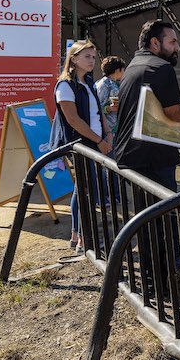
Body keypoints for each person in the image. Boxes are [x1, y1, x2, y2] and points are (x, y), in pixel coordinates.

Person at [114, 20, 180, 191]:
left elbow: (154, 111)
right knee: (166, 215)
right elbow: (175, 112)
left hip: (130, 157)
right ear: (155, 43)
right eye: (172, 42)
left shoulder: (132, 66)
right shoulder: (161, 68)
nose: (177, 48)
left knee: (145, 215)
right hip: (153, 160)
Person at [54, 41, 112, 251]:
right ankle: (85, 240)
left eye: (94, 57)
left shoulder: (88, 81)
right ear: (74, 58)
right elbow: (73, 120)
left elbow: (98, 112)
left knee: (82, 189)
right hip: (81, 144)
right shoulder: (65, 85)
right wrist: (99, 141)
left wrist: (107, 133)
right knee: (87, 189)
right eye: (87, 56)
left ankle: (77, 235)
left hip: (95, 141)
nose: (92, 61)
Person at [95, 55, 127, 138]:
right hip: (106, 131)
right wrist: (110, 108)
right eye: (123, 69)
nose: (125, 72)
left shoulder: (116, 84)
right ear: (117, 71)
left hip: (114, 129)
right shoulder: (104, 85)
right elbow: (96, 107)